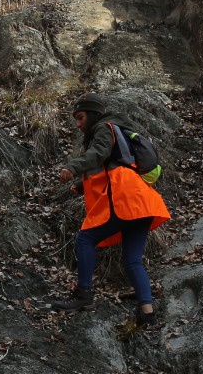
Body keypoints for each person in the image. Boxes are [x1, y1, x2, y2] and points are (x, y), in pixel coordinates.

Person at [48, 94, 169, 327]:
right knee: (132, 260)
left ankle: (84, 295)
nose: (78, 124)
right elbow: (116, 164)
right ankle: (147, 312)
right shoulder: (119, 129)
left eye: (80, 117)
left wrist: (72, 167)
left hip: (126, 198)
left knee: (85, 238)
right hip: (143, 200)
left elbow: (98, 154)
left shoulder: (104, 128)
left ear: (92, 115)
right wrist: (83, 186)